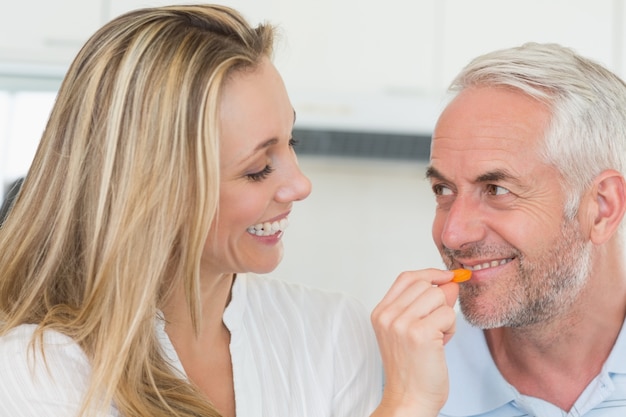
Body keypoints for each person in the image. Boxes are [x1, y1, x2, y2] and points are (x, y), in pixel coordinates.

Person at [0, 4, 458, 417]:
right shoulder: (37, 367)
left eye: (291, 142)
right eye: (258, 168)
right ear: (151, 190)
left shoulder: (332, 334)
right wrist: (406, 405)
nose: (299, 185)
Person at [425, 42, 626, 416]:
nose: (453, 234)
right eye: (444, 190)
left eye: (497, 190)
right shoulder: (401, 387)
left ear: (602, 208)